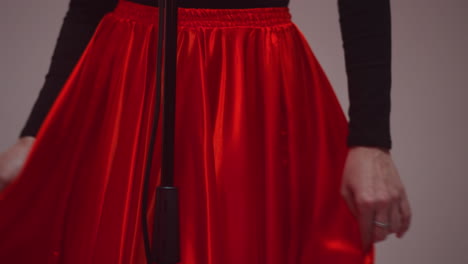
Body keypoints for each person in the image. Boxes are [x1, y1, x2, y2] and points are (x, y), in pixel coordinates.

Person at [0, 0, 411, 263]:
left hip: (248, 80)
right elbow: (90, 4)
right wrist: (36, 133)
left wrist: (372, 140)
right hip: (130, 72)